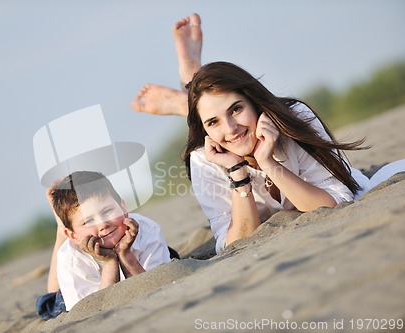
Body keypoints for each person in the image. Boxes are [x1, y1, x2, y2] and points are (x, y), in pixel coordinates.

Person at [131, 14, 405, 254]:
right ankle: (188, 94)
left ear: (254, 101)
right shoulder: (205, 157)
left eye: (237, 109)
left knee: (218, 114)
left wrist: (270, 164)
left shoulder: (294, 118)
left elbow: (336, 201)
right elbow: (233, 243)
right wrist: (238, 174)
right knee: (216, 120)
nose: (230, 128)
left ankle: (188, 94)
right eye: (212, 122)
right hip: (217, 144)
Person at [36, 171, 172, 319]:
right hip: (86, 291)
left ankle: (71, 224)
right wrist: (109, 262)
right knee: (51, 301)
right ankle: (62, 230)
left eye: (107, 211)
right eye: (88, 221)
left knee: (170, 257)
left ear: (124, 208)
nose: (103, 224)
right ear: (74, 236)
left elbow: (153, 284)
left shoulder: (147, 229)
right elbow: (96, 309)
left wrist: (125, 255)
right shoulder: (71, 258)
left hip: (137, 264)